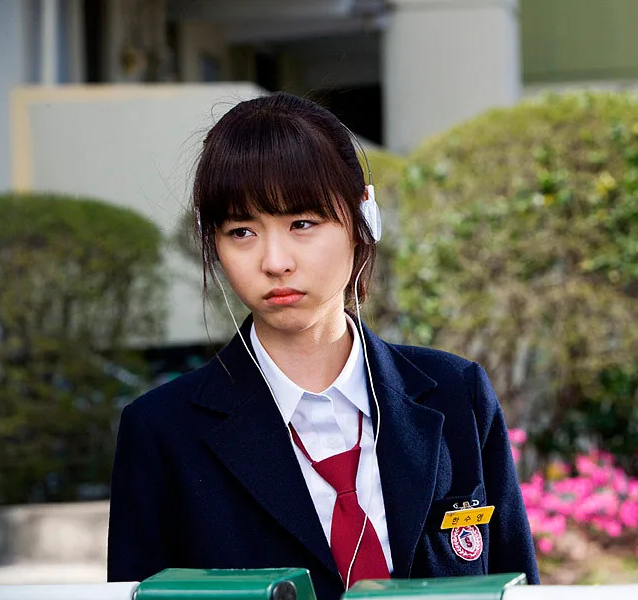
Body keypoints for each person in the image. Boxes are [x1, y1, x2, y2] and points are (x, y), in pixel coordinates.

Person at [106, 92, 539, 600]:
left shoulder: (456, 394)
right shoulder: (161, 433)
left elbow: (517, 587)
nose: (275, 261)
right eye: (241, 231)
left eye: (302, 224)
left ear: (362, 219)